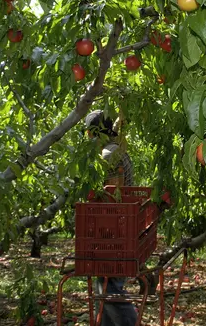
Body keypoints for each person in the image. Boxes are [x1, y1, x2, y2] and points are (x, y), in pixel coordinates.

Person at [84, 110, 138, 326]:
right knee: (105, 287)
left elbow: (112, 196)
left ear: (93, 133)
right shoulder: (115, 150)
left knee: (110, 287)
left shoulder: (108, 154)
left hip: (113, 233)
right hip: (118, 231)